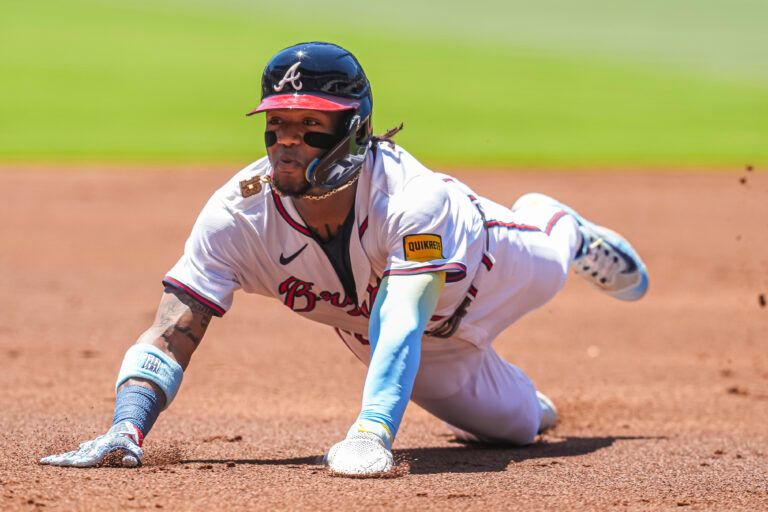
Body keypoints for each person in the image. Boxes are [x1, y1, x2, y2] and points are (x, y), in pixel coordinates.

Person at [40, 41, 648, 476]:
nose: (286, 142)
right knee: (516, 430)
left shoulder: (414, 199)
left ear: (357, 131)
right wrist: (128, 426)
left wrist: (372, 431)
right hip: (416, 347)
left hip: (493, 269)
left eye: (311, 125)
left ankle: (562, 224)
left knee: (551, 260)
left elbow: (403, 315)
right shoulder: (238, 215)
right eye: (277, 124)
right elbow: (174, 326)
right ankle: (523, 400)